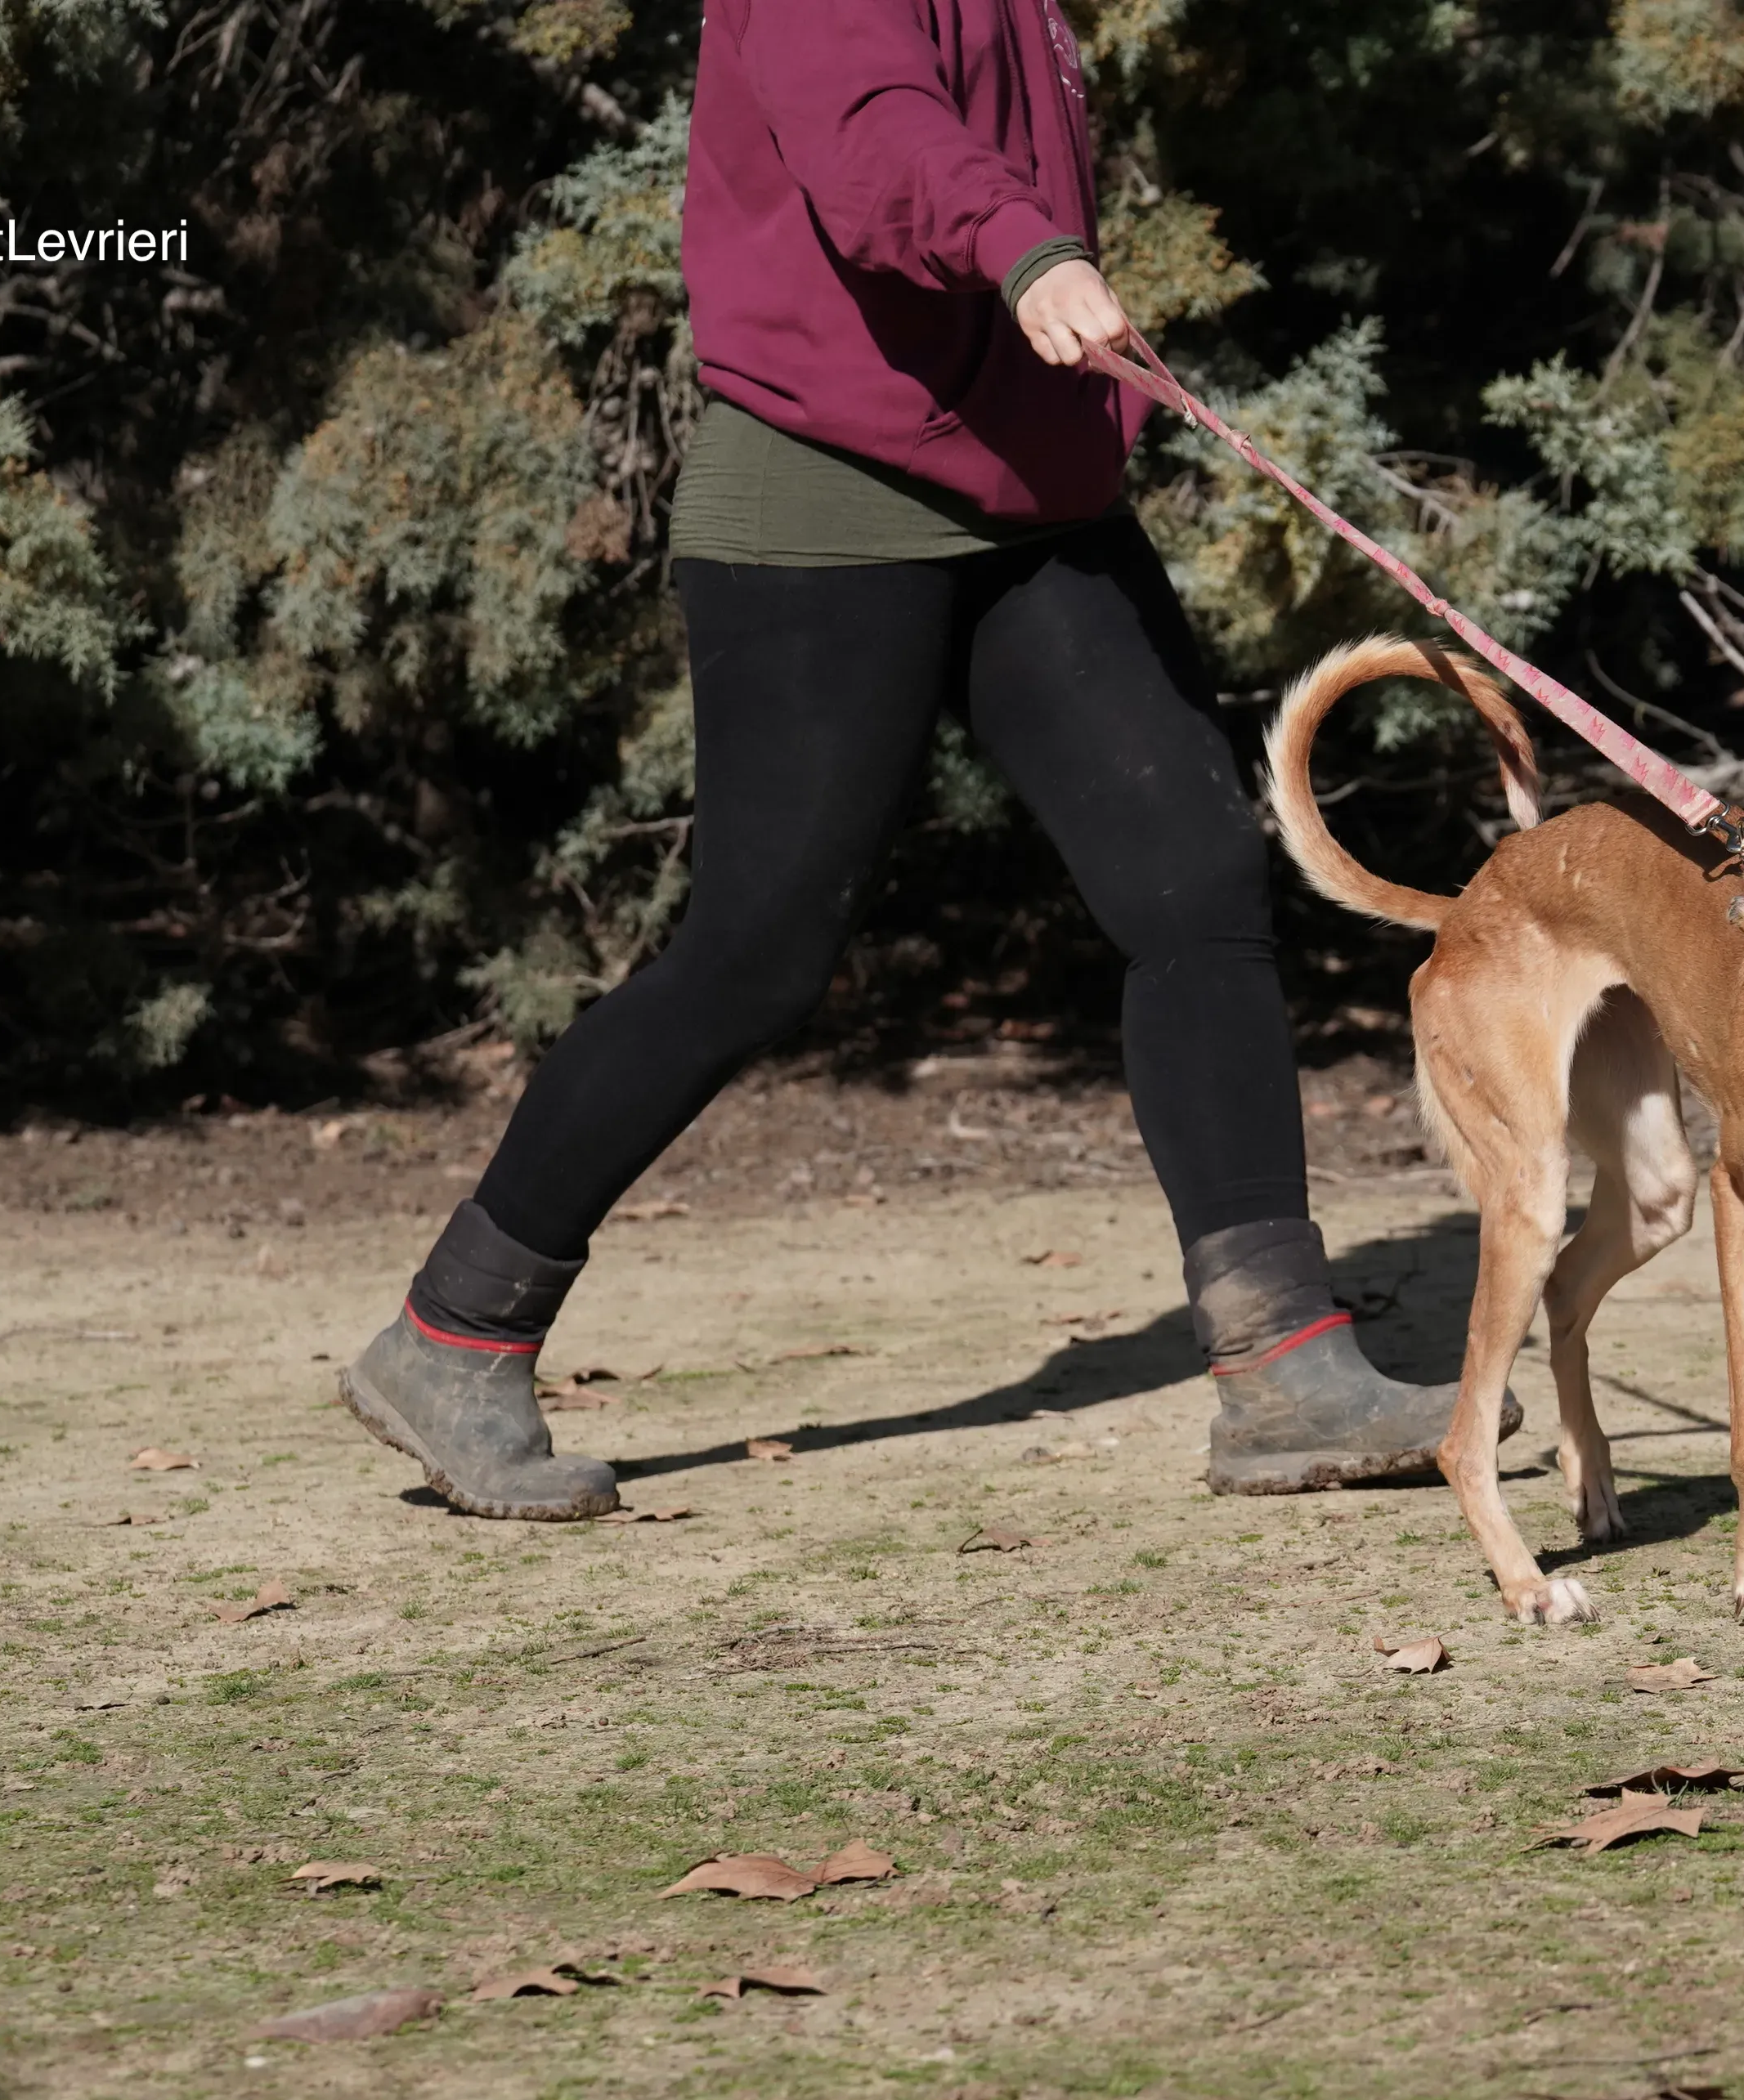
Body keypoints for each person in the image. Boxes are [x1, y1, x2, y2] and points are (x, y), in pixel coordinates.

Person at [338, 0, 1489, 1516]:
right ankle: (453, 1336)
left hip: (1039, 502)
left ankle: (1284, 1364)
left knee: (1195, 874)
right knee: (757, 952)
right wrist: (1026, 249)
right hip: (826, 498)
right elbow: (875, 132)